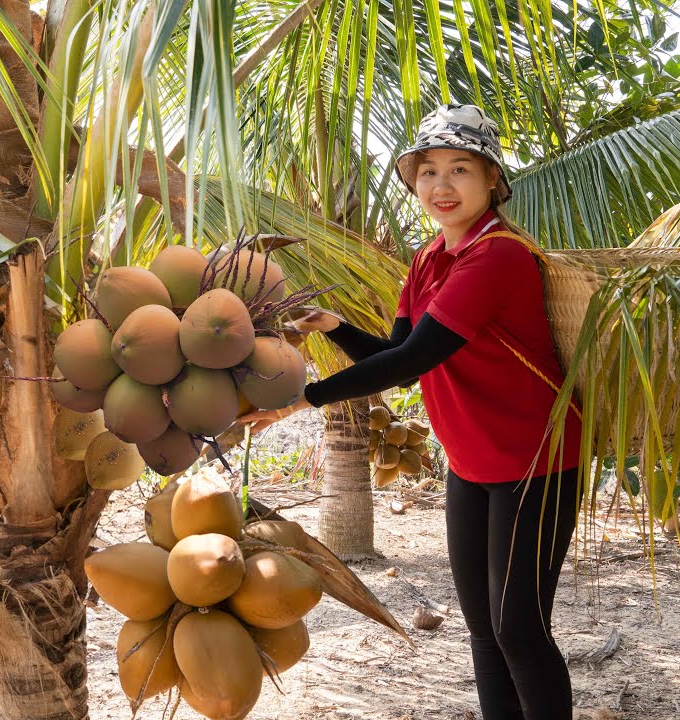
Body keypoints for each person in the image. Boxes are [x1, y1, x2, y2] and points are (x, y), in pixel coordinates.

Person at [240, 104, 584, 720]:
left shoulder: (497, 256)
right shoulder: (429, 260)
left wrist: (304, 399)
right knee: (482, 625)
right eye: (427, 171)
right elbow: (400, 352)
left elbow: (416, 358)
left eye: (460, 169)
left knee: (519, 628)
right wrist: (338, 327)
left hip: (535, 455)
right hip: (473, 459)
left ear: (492, 182)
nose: (442, 186)